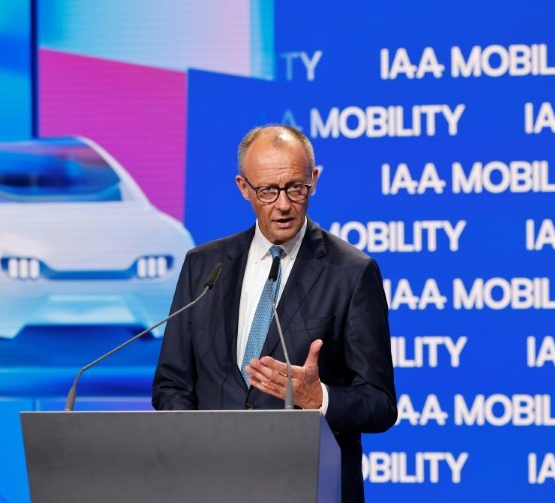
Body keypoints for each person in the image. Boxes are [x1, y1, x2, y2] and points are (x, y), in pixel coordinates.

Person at [152, 124, 397, 502]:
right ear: (243, 187)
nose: (283, 204)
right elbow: (172, 384)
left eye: (296, 188)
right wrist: (193, 448)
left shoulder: (351, 273)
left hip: (307, 486)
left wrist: (319, 398)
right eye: (268, 190)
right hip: (211, 486)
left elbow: (380, 405)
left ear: (314, 180)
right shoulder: (204, 267)